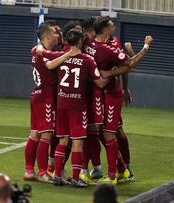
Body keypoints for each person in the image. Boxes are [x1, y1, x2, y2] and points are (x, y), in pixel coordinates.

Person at [89, 16, 153, 185]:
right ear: (105, 29)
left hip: (110, 93)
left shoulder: (111, 44)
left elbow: (129, 65)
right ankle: (116, 169)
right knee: (101, 131)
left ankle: (122, 170)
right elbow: (130, 63)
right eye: (111, 25)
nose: (114, 27)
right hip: (98, 93)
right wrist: (145, 47)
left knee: (114, 131)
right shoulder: (91, 45)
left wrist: (121, 85)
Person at [51, 27, 109, 187]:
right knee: (78, 141)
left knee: (63, 139)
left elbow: (50, 67)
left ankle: (57, 174)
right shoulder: (87, 60)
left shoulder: (60, 57)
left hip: (62, 103)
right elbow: (100, 82)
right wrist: (112, 73)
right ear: (80, 41)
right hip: (78, 106)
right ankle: (76, 179)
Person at [24, 21, 80, 183]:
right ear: (47, 36)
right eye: (56, 32)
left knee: (35, 134)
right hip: (46, 98)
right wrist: (69, 54)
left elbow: (42, 53)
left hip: (36, 96)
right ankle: (42, 172)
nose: (60, 34)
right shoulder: (43, 52)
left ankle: (29, 171)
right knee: (47, 135)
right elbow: (50, 64)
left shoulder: (39, 50)